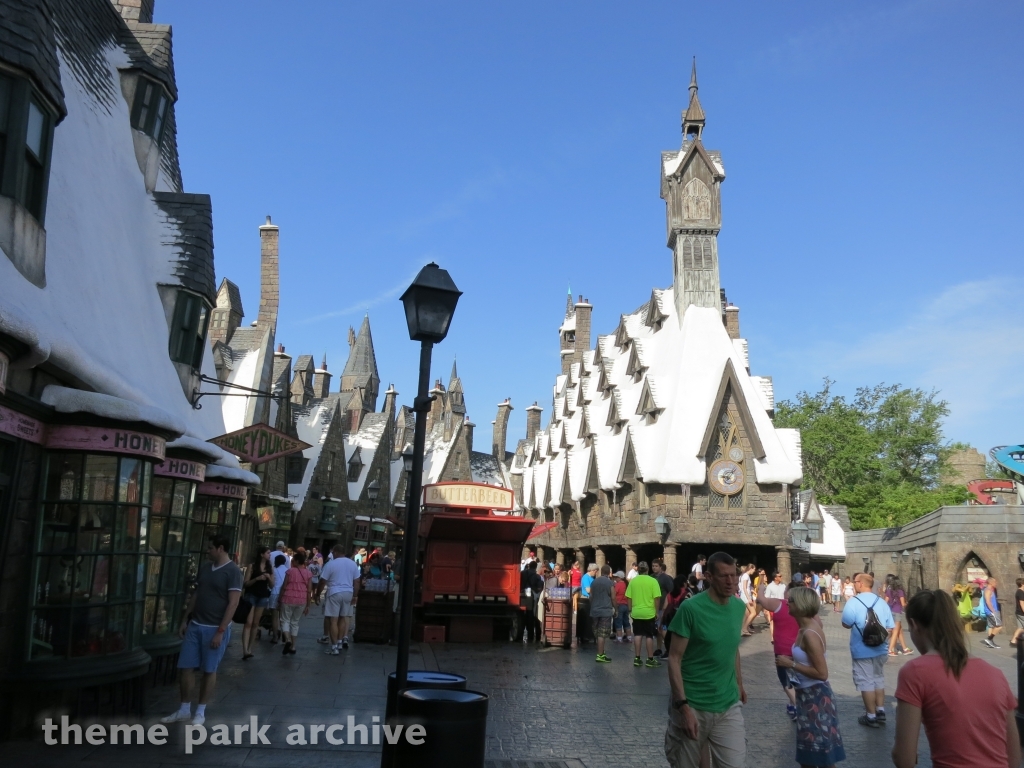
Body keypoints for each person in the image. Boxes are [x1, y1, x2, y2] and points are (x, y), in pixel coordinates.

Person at [892, 589, 1021, 768]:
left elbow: (904, 759)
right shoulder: (995, 674)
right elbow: (1014, 757)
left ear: (914, 625)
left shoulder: (915, 672)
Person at [665, 552, 747, 768]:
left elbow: (732, 648)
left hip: (727, 704)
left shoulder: (738, 607)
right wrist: (682, 706)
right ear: (709, 576)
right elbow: (674, 658)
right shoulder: (690, 609)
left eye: (734, 575)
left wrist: (739, 683)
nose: (730, 581)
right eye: (724, 576)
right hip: (693, 704)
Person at [162, 536, 242, 726]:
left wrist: (221, 631)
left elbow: (233, 603)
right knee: (186, 667)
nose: (207, 551)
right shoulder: (206, 568)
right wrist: (185, 619)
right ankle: (183, 709)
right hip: (196, 624)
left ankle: (200, 711)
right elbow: (196, 594)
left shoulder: (233, 572)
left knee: (209, 669)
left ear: (221, 548)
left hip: (215, 628)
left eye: (210, 548)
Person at [775, 586, 846, 767]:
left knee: (820, 755)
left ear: (799, 604)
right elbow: (807, 659)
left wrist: (790, 664)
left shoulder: (809, 633)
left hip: (816, 696)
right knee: (810, 754)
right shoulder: (803, 628)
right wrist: (792, 659)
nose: (786, 604)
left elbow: (822, 673)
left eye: (789, 601)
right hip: (806, 695)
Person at [841, 572, 894, 728]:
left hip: (861, 649)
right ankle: (881, 710)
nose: (854, 584)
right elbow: (890, 627)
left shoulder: (853, 602)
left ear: (861, 584)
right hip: (880, 649)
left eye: (856, 581)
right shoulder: (882, 602)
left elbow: (846, 623)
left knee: (866, 681)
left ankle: (870, 716)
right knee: (878, 678)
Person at [757, 577, 801, 721]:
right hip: (801, 649)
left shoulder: (780, 604)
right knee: (799, 679)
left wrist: (761, 588)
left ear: (788, 592)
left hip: (783, 650)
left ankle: (797, 706)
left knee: (786, 681)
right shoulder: (805, 608)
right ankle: (792, 704)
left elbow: (761, 600)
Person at [317, 544, 361, 654]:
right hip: (348, 592)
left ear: (336, 552)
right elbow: (357, 581)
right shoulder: (352, 564)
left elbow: (323, 581)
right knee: (343, 618)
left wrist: (317, 594)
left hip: (334, 592)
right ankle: (340, 641)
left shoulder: (331, 564)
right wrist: (355, 595)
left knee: (333, 620)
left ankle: (334, 647)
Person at [240, 546, 274, 660]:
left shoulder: (270, 568)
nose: (270, 555)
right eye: (268, 553)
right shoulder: (252, 566)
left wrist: (269, 578)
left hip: (263, 596)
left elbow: (272, 585)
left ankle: (250, 648)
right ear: (261, 554)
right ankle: (245, 650)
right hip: (251, 595)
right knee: (248, 623)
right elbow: (245, 584)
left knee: (255, 623)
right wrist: (257, 579)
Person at [626, 561, 662, 667]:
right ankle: (650, 659)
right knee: (649, 636)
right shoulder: (653, 581)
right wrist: (656, 611)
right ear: (647, 569)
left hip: (636, 612)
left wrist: (630, 609)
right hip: (649, 612)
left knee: (637, 634)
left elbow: (629, 597)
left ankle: (637, 658)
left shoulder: (633, 581)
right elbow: (657, 598)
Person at [278, 550, 313, 654]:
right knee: (295, 622)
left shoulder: (290, 571)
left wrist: (279, 598)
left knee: (285, 620)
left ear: (297, 561)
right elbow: (309, 590)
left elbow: (284, 586)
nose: (292, 562)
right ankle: (293, 646)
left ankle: (287, 639)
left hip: (288, 598)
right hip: (301, 599)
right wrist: (308, 605)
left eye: (293, 560)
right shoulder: (308, 573)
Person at [590, 565, 616, 662]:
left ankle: (601, 651)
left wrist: (592, 606)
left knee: (597, 632)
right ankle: (600, 655)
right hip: (605, 611)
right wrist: (616, 609)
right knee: (602, 633)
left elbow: (591, 596)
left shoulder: (594, 582)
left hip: (595, 610)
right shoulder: (610, 583)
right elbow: (613, 597)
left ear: (601, 572)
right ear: (609, 572)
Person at [653, 559, 675, 656]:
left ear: (661, 567)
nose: (654, 568)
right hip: (653, 606)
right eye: (653, 566)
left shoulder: (665, 578)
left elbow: (671, 591)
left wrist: (667, 606)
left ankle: (669, 649)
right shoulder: (652, 577)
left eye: (656, 566)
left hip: (662, 606)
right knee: (657, 630)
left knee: (662, 629)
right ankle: (659, 649)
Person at [885, 576, 911, 656]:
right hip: (897, 612)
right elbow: (903, 604)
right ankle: (890, 650)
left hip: (891, 612)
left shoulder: (889, 591)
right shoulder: (900, 591)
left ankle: (905, 648)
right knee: (895, 632)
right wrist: (908, 604)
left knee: (899, 630)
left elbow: (885, 602)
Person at [268, 553, 288, 643]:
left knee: (274, 617)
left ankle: (275, 636)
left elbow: (271, 584)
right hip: (284, 594)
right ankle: (285, 634)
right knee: (284, 617)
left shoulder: (274, 570)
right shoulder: (288, 570)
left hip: (275, 593)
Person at [577, 563, 598, 644]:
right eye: (596, 571)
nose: (596, 573)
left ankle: (591, 634)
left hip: (592, 599)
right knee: (586, 619)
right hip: (586, 599)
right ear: (593, 570)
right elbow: (588, 590)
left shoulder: (592, 577)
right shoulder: (586, 577)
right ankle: (585, 635)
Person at [982, 577, 1003, 649]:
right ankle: (989, 639)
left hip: (989, 611)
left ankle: (989, 643)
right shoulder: (988, 590)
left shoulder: (989, 590)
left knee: (991, 626)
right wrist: (993, 610)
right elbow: (988, 601)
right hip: (992, 611)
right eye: (995, 582)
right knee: (999, 626)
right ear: (991, 583)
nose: (996, 583)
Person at [613, 571, 632, 643]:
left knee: (618, 622)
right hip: (626, 605)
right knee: (626, 621)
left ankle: (619, 638)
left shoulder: (618, 585)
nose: (615, 578)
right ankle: (629, 637)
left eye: (616, 577)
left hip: (619, 605)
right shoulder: (626, 584)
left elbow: (614, 594)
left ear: (619, 578)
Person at [738, 563, 755, 636]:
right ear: (751, 568)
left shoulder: (744, 575)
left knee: (748, 614)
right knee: (753, 612)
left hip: (744, 595)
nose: (754, 571)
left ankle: (745, 628)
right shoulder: (746, 576)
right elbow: (744, 587)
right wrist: (749, 598)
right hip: (745, 596)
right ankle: (744, 628)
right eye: (754, 569)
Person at [1010, 577, 1024, 646]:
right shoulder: (1021, 592)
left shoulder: (1019, 591)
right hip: (1022, 613)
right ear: (1022, 584)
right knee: (1021, 628)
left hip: (1018, 612)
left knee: (1020, 628)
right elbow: (1022, 604)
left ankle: (1013, 641)